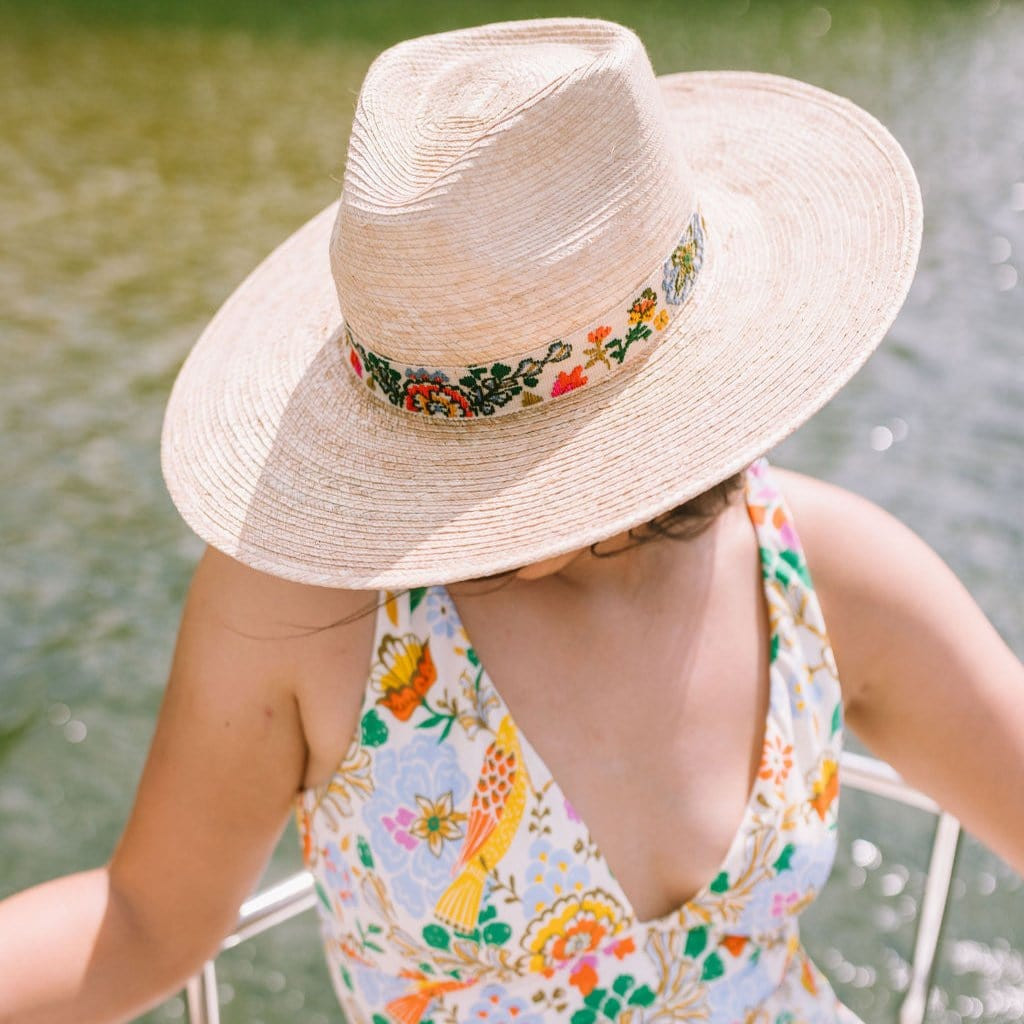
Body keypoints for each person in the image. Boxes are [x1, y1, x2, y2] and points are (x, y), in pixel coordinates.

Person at [1, 15, 1022, 1024]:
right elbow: (144, 918)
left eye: (520, 471)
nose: (482, 513)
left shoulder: (820, 573)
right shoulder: (310, 610)